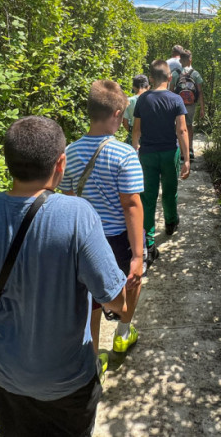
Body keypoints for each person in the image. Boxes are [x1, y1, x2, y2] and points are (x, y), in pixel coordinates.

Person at [0, 116, 128, 437]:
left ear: (9, 164)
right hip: (67, 379)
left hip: (4, 374)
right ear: (60, 163)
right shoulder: (78, 215)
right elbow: (114, 298)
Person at [62, 80, 145, 374]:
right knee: (131, 282)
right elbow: (131, 205)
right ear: (117, 112)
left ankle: (94, 359)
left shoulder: (69, 153)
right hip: (119, 238)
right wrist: (138, 255)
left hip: (86, 240)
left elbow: (70, 200)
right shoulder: (125, 154)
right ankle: (123, 335)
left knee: (91, 299)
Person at [132, 60, 190, 264]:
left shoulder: (142, 100)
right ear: (169, 77)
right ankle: (171, 223)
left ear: (151, 78)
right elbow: (182, 130)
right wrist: (186, 158)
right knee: (170, 190)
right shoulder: (175, 100)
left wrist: (135, 151)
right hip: (169, 153)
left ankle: (148, 239)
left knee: (147, 196)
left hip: (147, 154)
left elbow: (136, 131)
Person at [170, 50, 205, 162]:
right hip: (191, 104)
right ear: (191, 59)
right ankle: (190, 150)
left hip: (177, 104)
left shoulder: (175, 74)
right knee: (189, 126)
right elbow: (199, 92)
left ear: (180, 60)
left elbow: (170, 91)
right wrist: (202, 108)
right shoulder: (195, 74)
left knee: (179, 127)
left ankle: (181, 151)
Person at [121, 75, 149, 143]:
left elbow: (125, 123)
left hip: (133, 135)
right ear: (148, 86)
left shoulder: (129, 101)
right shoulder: (153, 99)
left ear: (134, 87)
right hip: (149, 136)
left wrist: (131, 131)